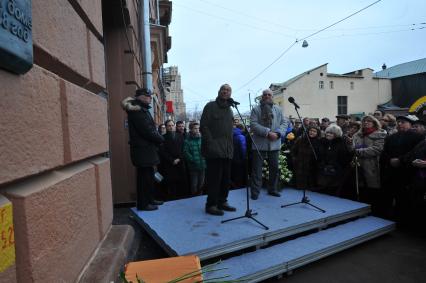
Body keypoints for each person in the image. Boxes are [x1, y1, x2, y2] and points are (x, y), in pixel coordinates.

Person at [121, 88, 164, 211]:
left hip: (146, 150)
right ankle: (144, 204)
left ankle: (150, 199)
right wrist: (161, 139)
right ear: (140, 97)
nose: (150, 98)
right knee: (144, 179)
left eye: (150, 96)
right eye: (148, 96)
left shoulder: (141, 109)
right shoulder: (137, 111)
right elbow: (147, 131)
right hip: (143, 151)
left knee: (149, 177)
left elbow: (150, 129)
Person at [200, 84, 236, 216]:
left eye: (228, 90)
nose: (225, 92)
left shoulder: (230, 109)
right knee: (214, 179)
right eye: (223, 90)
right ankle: (211, 204)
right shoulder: (210, 106)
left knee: (225, 178)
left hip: (227, 150)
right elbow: (203, 126)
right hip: (214, 150)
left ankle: (222, 201)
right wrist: (211, 143)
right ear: (219, 91)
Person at [381, 115, 424, 222]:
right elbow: (384, 153)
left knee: (404, 199)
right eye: (398, 122)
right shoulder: (391, 137)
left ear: (410, 125)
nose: (399, 124)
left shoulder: (417, 137)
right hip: (391, 172)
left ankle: (404, 221)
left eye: (403, 122)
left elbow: (415, 153)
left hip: (407, 172)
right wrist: (390, 160)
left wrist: (400, 160)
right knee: (388, 196)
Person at [250, 89, 288, 200]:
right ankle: (255, 191)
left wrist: (278, 133)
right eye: (265, 94)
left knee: (274, 168)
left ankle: (272, 189)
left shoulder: (278, 109)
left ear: (272, 97)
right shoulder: (256, 109)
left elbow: (284, 123)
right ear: (262, 97)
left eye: (269, 94)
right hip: (259, 144)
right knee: (257, 169)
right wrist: (267, 132)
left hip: (275, 143)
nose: (267, 96)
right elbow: (253, 124)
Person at [351, 115, 386, 212]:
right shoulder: (357, 135)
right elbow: (353, 147)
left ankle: (374, 210)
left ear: (374, 123)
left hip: (372, 166)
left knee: (372, 191)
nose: (366, 123)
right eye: (364, 121)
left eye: (369, 121)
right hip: (359, 166)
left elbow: (377, 149)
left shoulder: (379, 135)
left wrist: (359, 151)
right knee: (361, 190)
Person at [317, 124, 353, 196]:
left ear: (336, 134)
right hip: (324, 170)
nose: (328, 134)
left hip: (337, 171)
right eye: (327, 132)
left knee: (333, 190)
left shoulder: (341, 143)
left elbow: (345, 158)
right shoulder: (323, 142)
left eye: (331, 133)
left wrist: (335, 165)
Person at [159, 120, 188, 199]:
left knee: (181, 182)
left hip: (180, 162)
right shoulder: (163, 138)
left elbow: (184, 149)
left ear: (174, 126)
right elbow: (162, 152)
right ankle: (171, 198)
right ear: (166, 127)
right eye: (169, 126)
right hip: (169, 164)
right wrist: (172, 160)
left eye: (172, 125)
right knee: (171, 182)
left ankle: (181, 197)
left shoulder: (180, 136)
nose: (171, 127)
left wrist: (179, 158)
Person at [291, 126, 321, 190]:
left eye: (314, 131)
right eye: (311, 130)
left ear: (317, 133)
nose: (312, 132)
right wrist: (295, 159)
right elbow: (293, 150)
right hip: (300, 164)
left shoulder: (319, 141)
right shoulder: (301, 139)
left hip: (312, 165)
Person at [183, 122, 206, 196]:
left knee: (201, 184)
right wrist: (193, 160)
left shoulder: (202, 139)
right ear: (191, 129)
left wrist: (205, 159)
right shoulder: (187, 140)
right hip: (193, 166)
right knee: (194, 184)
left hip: (202, 165)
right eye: (195, 128)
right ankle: (194, 198)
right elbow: (186, 153)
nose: (197, 130)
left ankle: (200, 197)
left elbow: (206, 150)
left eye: (198, 128)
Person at [231, 124, 247, 188]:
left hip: (232, 158)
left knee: (234, 173)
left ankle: (234, 185)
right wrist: (244, 158)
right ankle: (239, 186)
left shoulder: (231, 135)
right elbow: (243, 149)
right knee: (239, 174)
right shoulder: (241, 137)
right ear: (242, 129)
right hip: (240, 159)